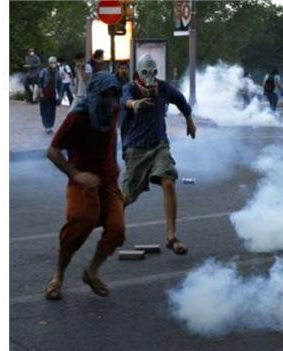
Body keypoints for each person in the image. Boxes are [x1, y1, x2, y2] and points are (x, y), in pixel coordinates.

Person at [45, 72, 124, 300]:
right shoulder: (78, 117)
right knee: (81, 224)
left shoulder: (114, 110)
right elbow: (52, 151)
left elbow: (113, 137)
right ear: (94, 95)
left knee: (117, 231)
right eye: (105, 95)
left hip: (108, 181)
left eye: (113, 95)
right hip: (82, 180)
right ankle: (58, 275)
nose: (109, 101)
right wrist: (76, 174)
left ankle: (92, 271)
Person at [118, 54, 197, 255]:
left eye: (153, 72)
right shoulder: (131, 88)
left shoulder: (162, 88)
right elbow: (124, 100)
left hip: (159, 145)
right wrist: (135, 104)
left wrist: (190, 120)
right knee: (128, 197)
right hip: (135, 148)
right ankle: (113, 228)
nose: (150, 77)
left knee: (168, 181)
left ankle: (172, 237)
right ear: (138, 72)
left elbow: (180, 100)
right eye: (146, 72)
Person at [38, 56, 62, 134]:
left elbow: (59, 85)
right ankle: (46, 126)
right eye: (51, 62)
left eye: (54, 62)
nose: (53, 64)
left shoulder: (57, 73)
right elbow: (40, 82)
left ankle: (50, 126)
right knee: (45, 111)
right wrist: (41, 92)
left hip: (53, 94)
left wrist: (60, 96)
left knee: (52, 111)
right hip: (44, 94)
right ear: (49, 63)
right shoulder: (44, 71)